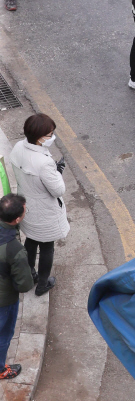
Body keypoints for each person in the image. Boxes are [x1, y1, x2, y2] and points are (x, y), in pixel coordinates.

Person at [10, 113, 68, 296]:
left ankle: (31, 274)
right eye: (50, 134)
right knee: (47, 247)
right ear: (39, 137)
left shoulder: (19, 147)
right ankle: (43, 284)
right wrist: (57, 172)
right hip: (44, 212)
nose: (52, 137)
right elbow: (58, 190)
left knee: (31, 240)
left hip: (26, 207)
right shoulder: (44, 163)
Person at [0, 193, 34, 380]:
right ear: (17, 219)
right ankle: (0, 369)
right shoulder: (15, 250)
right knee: (3, 334)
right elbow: (24, 284)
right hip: (4, 301)